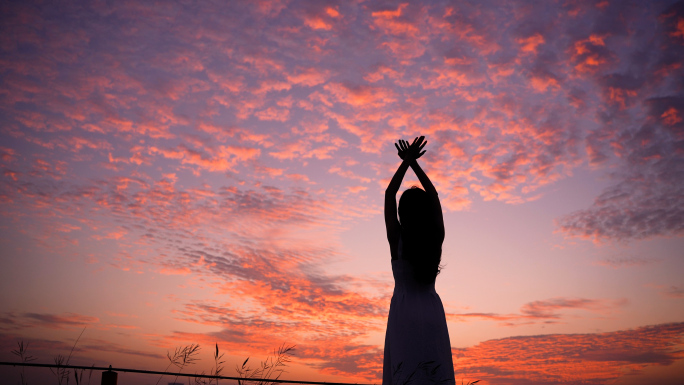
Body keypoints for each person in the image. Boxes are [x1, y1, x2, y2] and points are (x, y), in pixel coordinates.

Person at [383, 136, 455, 384]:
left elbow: (389, 193)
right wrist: (414, 164)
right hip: (431, 309)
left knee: (406, 372)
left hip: (404, 311)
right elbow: (433, 195)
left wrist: (407, 162)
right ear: (426, 212)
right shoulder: (435, 238)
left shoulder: (397, 239)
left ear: (402, 213)